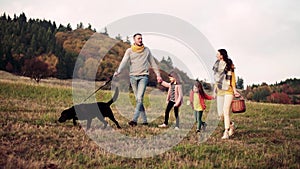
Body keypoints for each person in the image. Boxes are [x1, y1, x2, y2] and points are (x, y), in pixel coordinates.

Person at [114, 33, 162, 126]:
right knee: (138, 100)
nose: (140, 40)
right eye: (138, 38)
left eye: (141, 38)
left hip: (143, 77)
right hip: (133, 77)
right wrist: (119, 71)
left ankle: (134, 121)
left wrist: (158, 75)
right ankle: (144, 121)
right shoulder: (129, 51)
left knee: (139, 98)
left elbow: (153, 63)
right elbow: (124, 61)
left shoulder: (146, 50)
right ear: (134, 40)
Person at [213, 49, 240, 139]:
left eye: (218, 54)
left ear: (222, 56)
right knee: (221, 114)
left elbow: (232, 79)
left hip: (228, 90)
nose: (216, 55)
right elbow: (216, 81)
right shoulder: (216, 66)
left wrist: (235, 90)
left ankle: (226, 132)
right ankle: (231, 125)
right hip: (220, 91)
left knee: (225, 111)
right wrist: (214, 91)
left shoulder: (229, 65)